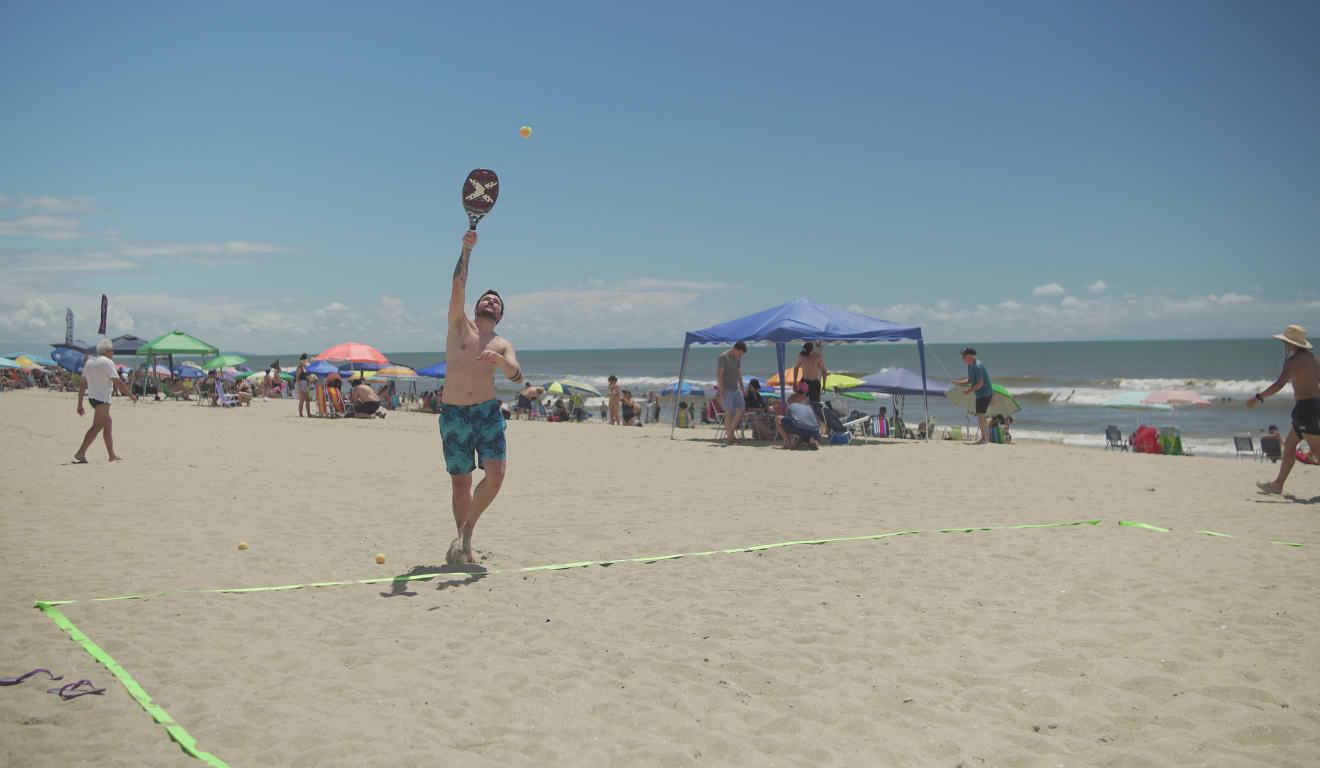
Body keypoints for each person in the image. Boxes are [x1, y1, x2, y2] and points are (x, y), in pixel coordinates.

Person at [440, 229, 522, 564]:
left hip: (488, 413)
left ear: (500, 315)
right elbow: (458, 284)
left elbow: (517, 376)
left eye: (496, 302)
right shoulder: (459, 325)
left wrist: (500, 360)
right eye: (485, 299)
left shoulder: (502, 343)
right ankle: (463, 546)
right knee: (461, 485)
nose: (490, 301)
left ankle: (467, 531)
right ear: (474, 308)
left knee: (496, 476)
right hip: (454, 414)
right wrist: (466, 250)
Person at [1248, 325, 1320, 495]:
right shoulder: (1314, 359)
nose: (1283, 343)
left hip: (1305, 408)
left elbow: (1280, 384)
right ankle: (1277, 485)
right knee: (1289, 445)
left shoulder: (1294, 360)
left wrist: (1258, 397)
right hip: (1313, 406)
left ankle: (1278, 485)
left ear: (1290, 343)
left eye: (1284, 341)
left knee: (1317, 450)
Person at [73, 339, 138, 463]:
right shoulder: (107, 362)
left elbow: (82, 385)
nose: (113, 353)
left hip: (92, 398)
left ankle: (112, 455)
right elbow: (118, 382)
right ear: (107, 351)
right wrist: (131, 395)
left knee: (107, 425)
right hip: (102, 399)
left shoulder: (89, 362)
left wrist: (80, 404)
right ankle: (80, 453)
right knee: (97, 427)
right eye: (112, 350)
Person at [953, 347, 993, 444]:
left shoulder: (978, 366)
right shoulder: (970, 365)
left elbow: (980, 383)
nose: (962, 357)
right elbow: (970, 380)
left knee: (980, 414)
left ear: (970, 356)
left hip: (985, 393)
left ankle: (984, 439)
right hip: (979, 394)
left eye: (964, 355)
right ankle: (983, 438)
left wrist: (969, 391)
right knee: (979, 415)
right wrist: (959, 383)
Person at [716, 341, 748, 445]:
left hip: (736, 387)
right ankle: (730, 438)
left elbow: (738, 373)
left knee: (741, 410)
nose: (741, 355)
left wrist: (743, 387)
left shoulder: (738, 358)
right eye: (740, 353)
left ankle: (731, 432)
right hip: (726, 388)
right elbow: (719, 374)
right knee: (728, 412)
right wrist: (722, 390)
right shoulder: (723, 357)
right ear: (736, 349)